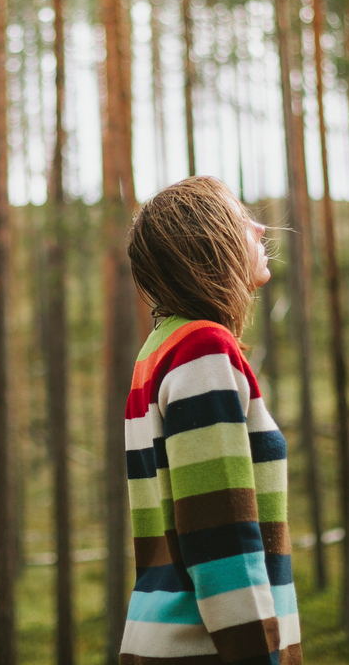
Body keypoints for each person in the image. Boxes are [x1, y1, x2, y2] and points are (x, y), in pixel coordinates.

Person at [120, 175, 300, 665]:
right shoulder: (202, 349)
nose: (261, 228)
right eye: (242, 220)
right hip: (209, 650)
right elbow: (220, 539)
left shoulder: (157, 351)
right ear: (210, 242)